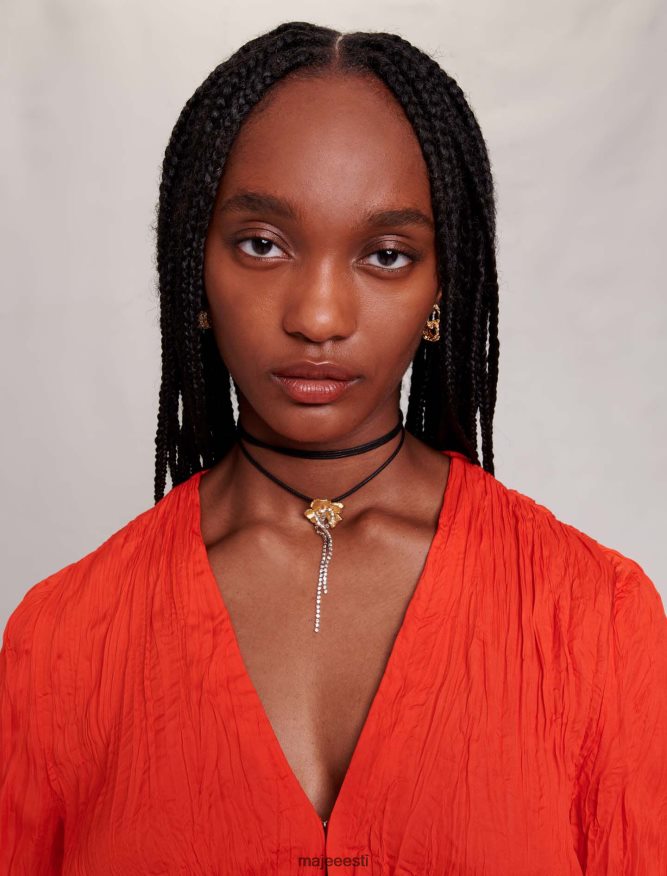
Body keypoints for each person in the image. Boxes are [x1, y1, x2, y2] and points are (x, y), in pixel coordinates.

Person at [1, 20, 665, 875]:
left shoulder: (595, 619)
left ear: (440, 288)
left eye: (385, 255)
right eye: (262, 245)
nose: (317, 317)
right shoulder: (61, 644)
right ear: (193, 268)